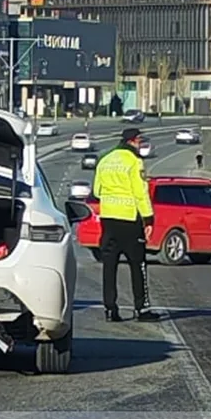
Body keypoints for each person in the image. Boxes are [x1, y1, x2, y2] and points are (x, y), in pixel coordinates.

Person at [92, 128, 159, 322]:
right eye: (140, 141)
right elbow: (140, 192)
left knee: (109, 266)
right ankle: (142, 309)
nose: (140, 145)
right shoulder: (134, 162)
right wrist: (148, 218)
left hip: (108, 220)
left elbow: (97, 191)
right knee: (138, 265)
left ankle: (110, 309)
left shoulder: (105, 160)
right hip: (129, 220)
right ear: (133, 141)